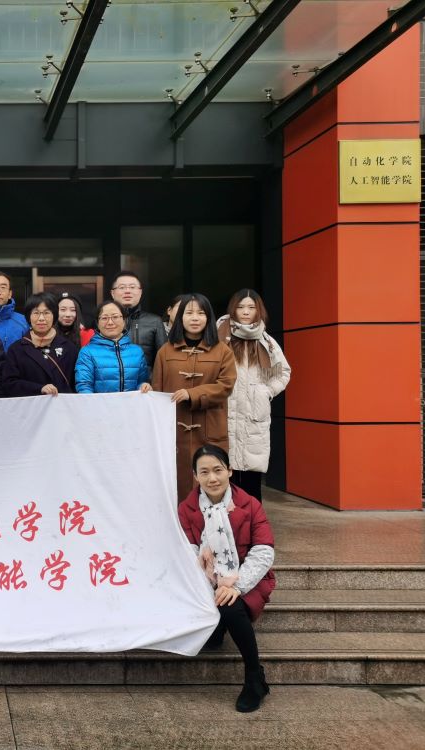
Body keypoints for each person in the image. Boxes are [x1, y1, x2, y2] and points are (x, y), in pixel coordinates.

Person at [178, 444, 275, 713]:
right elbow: (187, 551)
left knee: (230, 605)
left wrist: (237, 585)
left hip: (246, 578)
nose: (212, 478)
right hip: (205, 580)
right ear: (195, 476)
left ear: (230, 471)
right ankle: (217, 627)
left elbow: (264, 551)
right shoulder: (187, 509)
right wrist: (210, 581)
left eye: (218, 470)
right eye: (204, 472)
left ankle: (254, 678)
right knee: (220, 600)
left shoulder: (250, 504)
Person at [152, 293, 237, 500]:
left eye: (201, 313)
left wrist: (192, 394)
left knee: (211, 480)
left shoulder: (222, 351)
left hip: (210, 426)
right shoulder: (165, 351)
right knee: (176, 483)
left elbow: (226, 386)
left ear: (208, 317)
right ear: (179, 317)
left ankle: (212, 520)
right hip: (175, 428)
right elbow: (157, 390)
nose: (195, 318)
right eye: (189, 313)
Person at [217, 289, 292, 500]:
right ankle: (225, 519)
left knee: (251, 479)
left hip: (254, 417)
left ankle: (251, 518)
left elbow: (283, 372)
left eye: (251, 307)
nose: (245, 312)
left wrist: (266, 391)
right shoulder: (219, 336)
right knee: (224, 473)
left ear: (259, 311)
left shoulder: (266, 341)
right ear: (233, 309)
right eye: (241, 307)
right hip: (226, 413)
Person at [3, 293, 77, 396]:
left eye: (46, 313)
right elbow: (9, 384)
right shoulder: (16, 349)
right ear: (28, 317)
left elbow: (76, 384)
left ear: (54, 316)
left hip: (61, 405)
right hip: (31, 405)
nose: (41, 318)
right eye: (36, 313)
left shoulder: (69, 348)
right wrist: (39, 389)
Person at [75, 301, 150, 393]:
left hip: (131, 402)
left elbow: (142, 381)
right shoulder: (87, 352)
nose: (110, 322)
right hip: (100, 403)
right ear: (97, 323)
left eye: (115, 317)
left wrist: (144, 386)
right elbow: (84, 387)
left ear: (124, 320)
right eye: (104, 318)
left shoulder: (137, 351)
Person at [110, 270, 167, 367]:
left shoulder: (154, 321)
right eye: (122, 287)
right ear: (112, 293)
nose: (127, 291)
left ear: (140, 292)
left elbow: (164, 358)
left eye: (132, 287)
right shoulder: (103, 321)